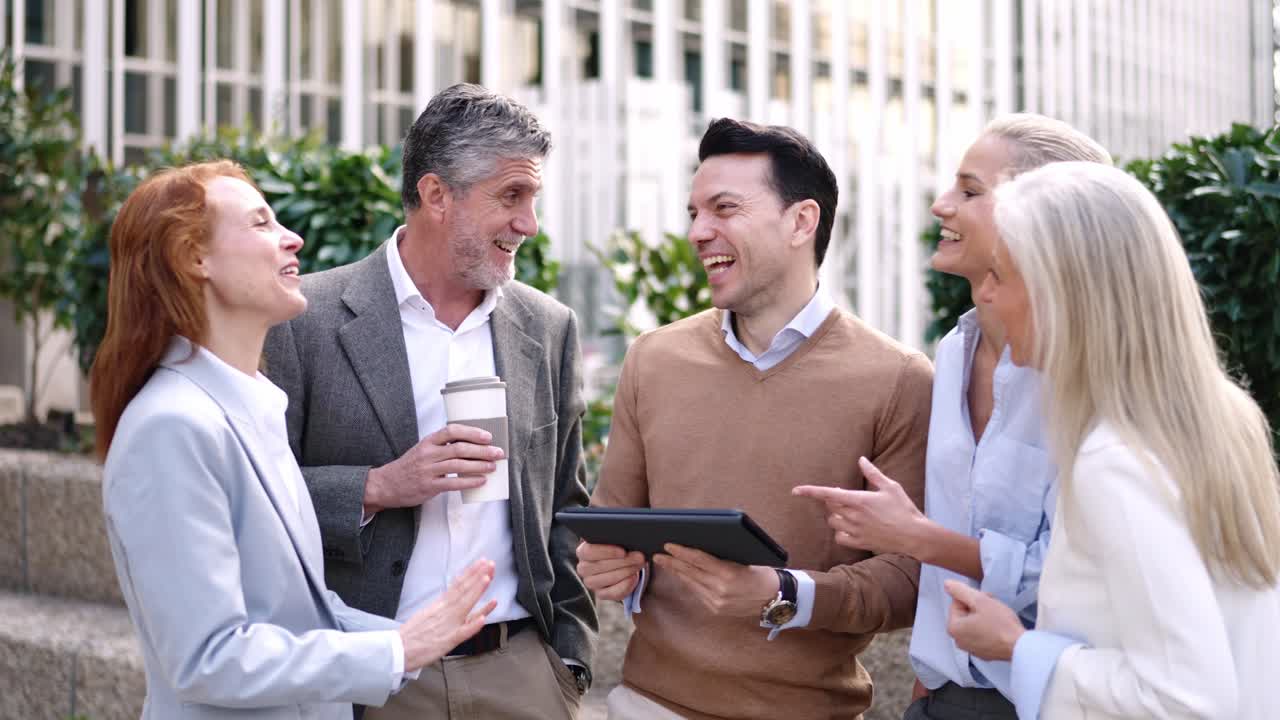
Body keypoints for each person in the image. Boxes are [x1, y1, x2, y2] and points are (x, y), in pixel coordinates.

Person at [92, 161, 498, 720]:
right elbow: (208, 657)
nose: (293, 238)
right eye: (261, 224)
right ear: (194, 258)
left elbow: (302, 611)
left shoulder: (251, 408)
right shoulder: (173, 426)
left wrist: (413, 638)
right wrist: (397, 648)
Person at [577, 117, 935, 720]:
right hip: (648, 706)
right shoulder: (652, 358)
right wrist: (610, 567)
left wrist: (784, 594)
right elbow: (614, 529)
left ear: (802, 221)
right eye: (694, 213)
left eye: (724, 208)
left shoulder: (899, 379)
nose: (698, 232)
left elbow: (909, 579)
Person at [261, 84, 595, 720]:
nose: (528, 223)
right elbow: (257, 499)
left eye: (533, 199)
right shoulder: (304, 319)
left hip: (522, 676)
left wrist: (569, 662)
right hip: (370, 674)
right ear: (437, 195)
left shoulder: (548, 327)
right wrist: (381, 486)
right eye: (511, 197)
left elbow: (566, 507)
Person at [794, 114, 1111, 720]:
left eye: (970, 191)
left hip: (1049, 701)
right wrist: (933, 675)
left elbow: (1078, 572)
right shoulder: (951, 352)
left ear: (1045, 214)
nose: (942, 205)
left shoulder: (1089, 379)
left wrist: (914, 537)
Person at [944, 161, 1280, 719]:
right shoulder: (1218, 418)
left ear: (1064, 295)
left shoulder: (1114, 459)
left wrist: (1018, 646)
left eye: (999, 275)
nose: (986, 295)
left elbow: (1186, 699)